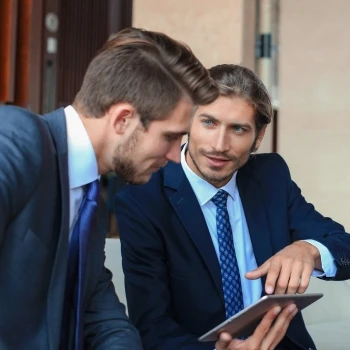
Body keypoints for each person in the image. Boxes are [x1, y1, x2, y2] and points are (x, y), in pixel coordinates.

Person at [0, 27, 218, 350]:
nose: (175, 156)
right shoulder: (18, 139)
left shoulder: (93, 201)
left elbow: (103, 319)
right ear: (122, 120)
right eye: (170, 137)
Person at [114, 64, 350, 350]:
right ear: (188, 120)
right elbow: (151, 328)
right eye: (209, 123)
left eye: (238, 129)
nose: (219, 145)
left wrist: (309, 251)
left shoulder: (270, 177)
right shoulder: (143, 201)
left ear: (258, 137)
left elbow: (344, 248)